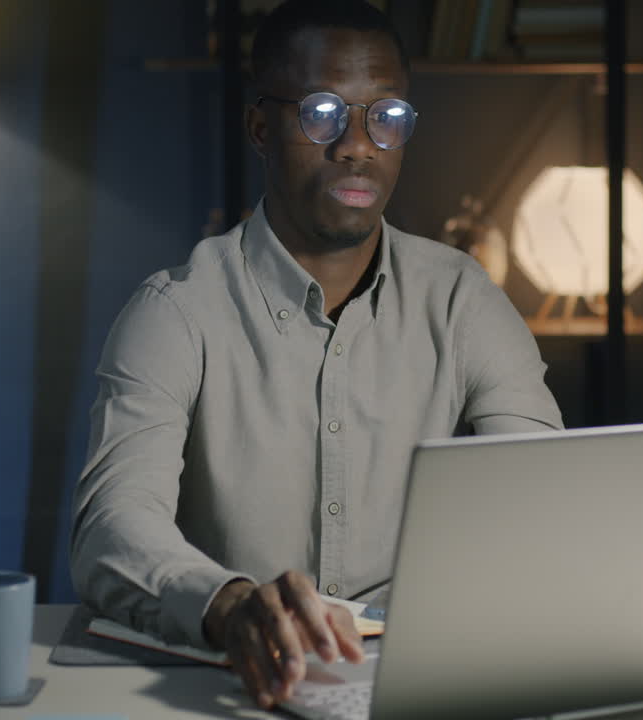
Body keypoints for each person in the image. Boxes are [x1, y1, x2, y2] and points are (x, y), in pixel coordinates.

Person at [70, 0, 563, 709]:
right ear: (261, 127)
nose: (357, 146)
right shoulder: (173, 314)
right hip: (234, 685)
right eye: (323, 113)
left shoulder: (462, 299)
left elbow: (540, 493)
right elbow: (111, 528)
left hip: (417, 683)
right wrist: (230, 603)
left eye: (385, 117)